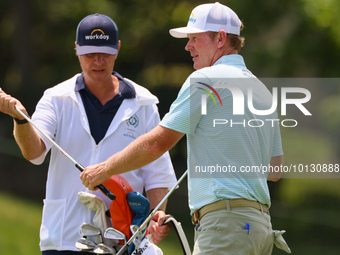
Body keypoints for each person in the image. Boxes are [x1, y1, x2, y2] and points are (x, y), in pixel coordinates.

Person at [80, 3, 286, 255]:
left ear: (220, 38)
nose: (188, 46)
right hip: (259, 229)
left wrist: (105, 169)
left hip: (226, 227)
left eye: (194, 39)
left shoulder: (207, 80)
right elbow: (274, 169)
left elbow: (157, 143)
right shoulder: (262, 91)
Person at [0, 13, 177, 254]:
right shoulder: (56, 98)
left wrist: (154, 222)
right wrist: (20, 120)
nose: (98, 61)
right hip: (63, 237)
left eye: (105, 52)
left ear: (118, 48)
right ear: (76, 49)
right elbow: (34, 153)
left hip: (122, 242)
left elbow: (158, 175)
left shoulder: (144, 103)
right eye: (89, 53)